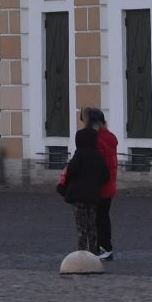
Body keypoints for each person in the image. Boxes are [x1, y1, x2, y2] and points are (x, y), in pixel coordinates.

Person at [57, 125, 109, 251]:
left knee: (81, 227)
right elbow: (105, 176)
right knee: (92, 225)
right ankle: (92, 251)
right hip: (92, 196)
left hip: (77, 196)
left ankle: (81, 253)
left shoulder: (79, 154)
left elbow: (71, 171)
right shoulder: (98, 156)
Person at [83, 107, 119, 260]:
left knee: (99, 218)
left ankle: (104, 247)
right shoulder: (109, 137)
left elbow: (95, 162)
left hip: (99, 184)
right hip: (108, 184)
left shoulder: (97, 139)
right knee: (102, 216)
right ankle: (102, 247)